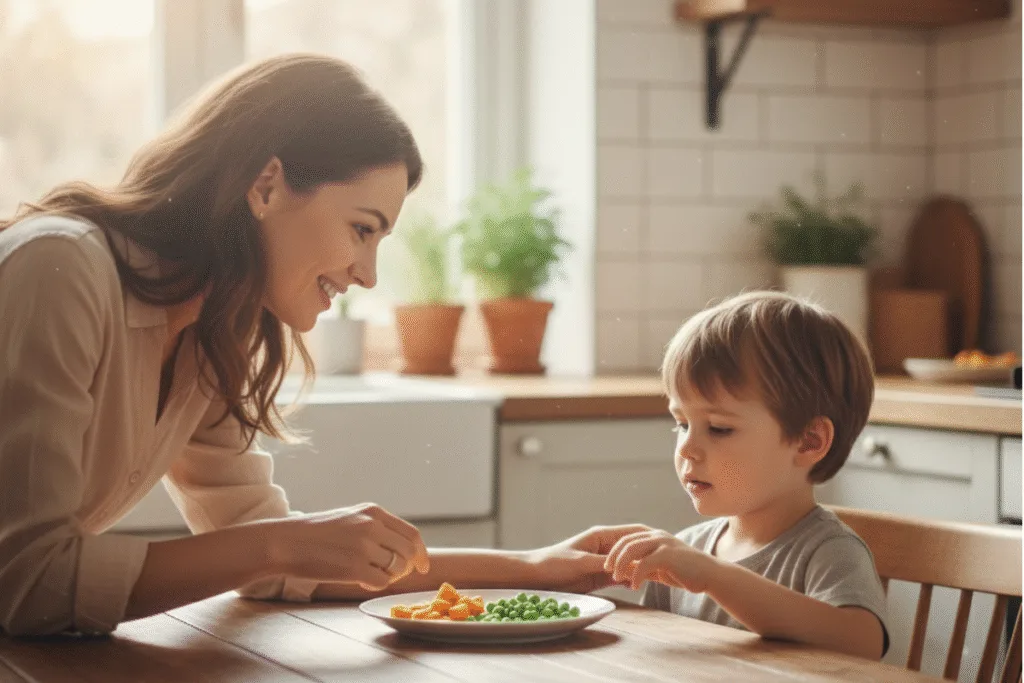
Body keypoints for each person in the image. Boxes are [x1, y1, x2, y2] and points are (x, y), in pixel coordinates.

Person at [0, 53, 633, 637]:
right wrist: (279, 545)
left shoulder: (209, 333)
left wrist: (531, 568)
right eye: (361, 229)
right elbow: (27, 585)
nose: (369, 275)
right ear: (266, 186)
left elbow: (268, 554)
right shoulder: (59, 268)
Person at [601, 291, 890, 660]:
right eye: (682, 424)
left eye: (719, 428)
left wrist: (713, 577)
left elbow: (863, 643)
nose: (687, 448)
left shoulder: (828, 552)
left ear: (809, 441)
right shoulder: (684, 554)